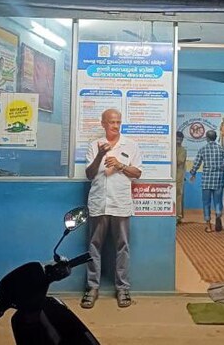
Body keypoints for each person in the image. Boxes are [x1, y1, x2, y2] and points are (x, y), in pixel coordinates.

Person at [82, 108, 144, 309]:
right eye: (111, 122)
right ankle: (92, 287)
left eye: (118, 122)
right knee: (94, 246)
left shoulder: (131, 145)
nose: (115, 126)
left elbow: (137, 173)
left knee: (122, 247)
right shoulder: (94, 145)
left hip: (120, 203)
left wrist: (120, 165)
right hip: (99, 203)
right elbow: (90, 174)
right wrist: (100, 155)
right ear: (103, 123)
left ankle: (123, 288)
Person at [189, 130, 224, 233]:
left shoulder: (203, 149)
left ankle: (208, 226)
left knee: (206, 203)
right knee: (217, 201)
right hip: (218, 180)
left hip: (206, 181)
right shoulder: (222, 149)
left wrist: (193, 173)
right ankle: (218, 216)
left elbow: (197, 163)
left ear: (207, 138)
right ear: (216, 137)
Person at [175, 131, 187, 224]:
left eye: (180, 139)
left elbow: (179, 161)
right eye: (177, 139)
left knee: (178, 196)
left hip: (178, 177)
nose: (178, 141)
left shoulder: (182, 150)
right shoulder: (170, 148)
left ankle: (178, 216)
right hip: (172, 176)